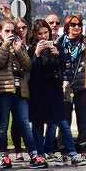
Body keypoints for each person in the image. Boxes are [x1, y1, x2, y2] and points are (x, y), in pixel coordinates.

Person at [0, 18, 44, 169]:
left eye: (13, 31)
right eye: (7, 31)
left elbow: (27, 65)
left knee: (24, 124)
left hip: (20, 90)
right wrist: (6, 44)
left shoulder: (19, 46)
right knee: (2, 125)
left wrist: (19, 51)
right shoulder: (1, 46)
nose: (10, 34)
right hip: (3, 90)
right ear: (0, 32)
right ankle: (4, 155)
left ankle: (34, 154)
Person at [28, 18, 74, 162]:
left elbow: (63, 67)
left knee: (62, 122)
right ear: (35, 35)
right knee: (38, 123)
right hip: (38, 92)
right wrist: (36, 54)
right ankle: (40, 153)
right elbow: (31, 70)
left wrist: (57, 55)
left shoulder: (57, 47)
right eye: (40, 34)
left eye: (45, 33)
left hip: (54, 90)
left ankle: (72, 152)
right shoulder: (31, 49)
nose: (43, 36)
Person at [57, 15, 86, 161]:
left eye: (78, 25)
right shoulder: (60, 43)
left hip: (82, 85)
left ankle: (83, 151)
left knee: (83, 120)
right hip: (65, 85)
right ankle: (64, 152)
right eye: (73, 25)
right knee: (64, 120)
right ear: (67, 27)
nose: (76, 27)